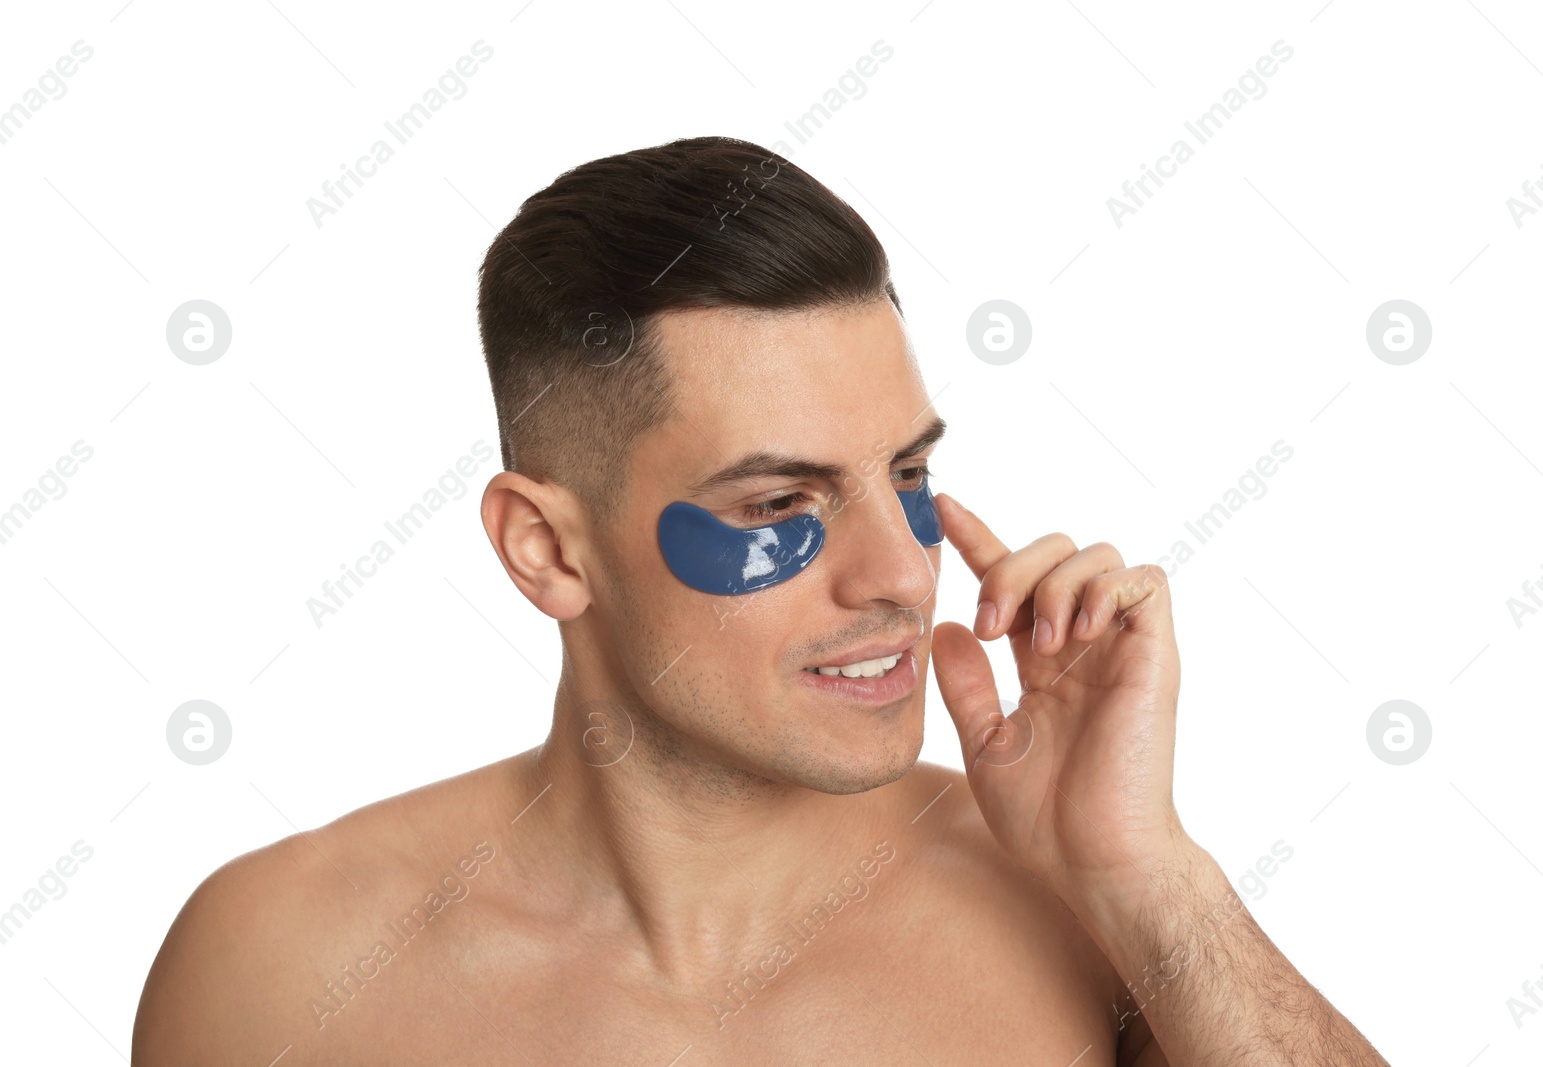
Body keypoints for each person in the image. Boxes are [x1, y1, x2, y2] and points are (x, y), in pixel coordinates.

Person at [132, 135, 1389, 1065]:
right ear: (545, 551)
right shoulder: (280, 966)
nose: (902, 573)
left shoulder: (1080, 914)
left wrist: (1149, 874)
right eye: (777, 504)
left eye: (906, 475)